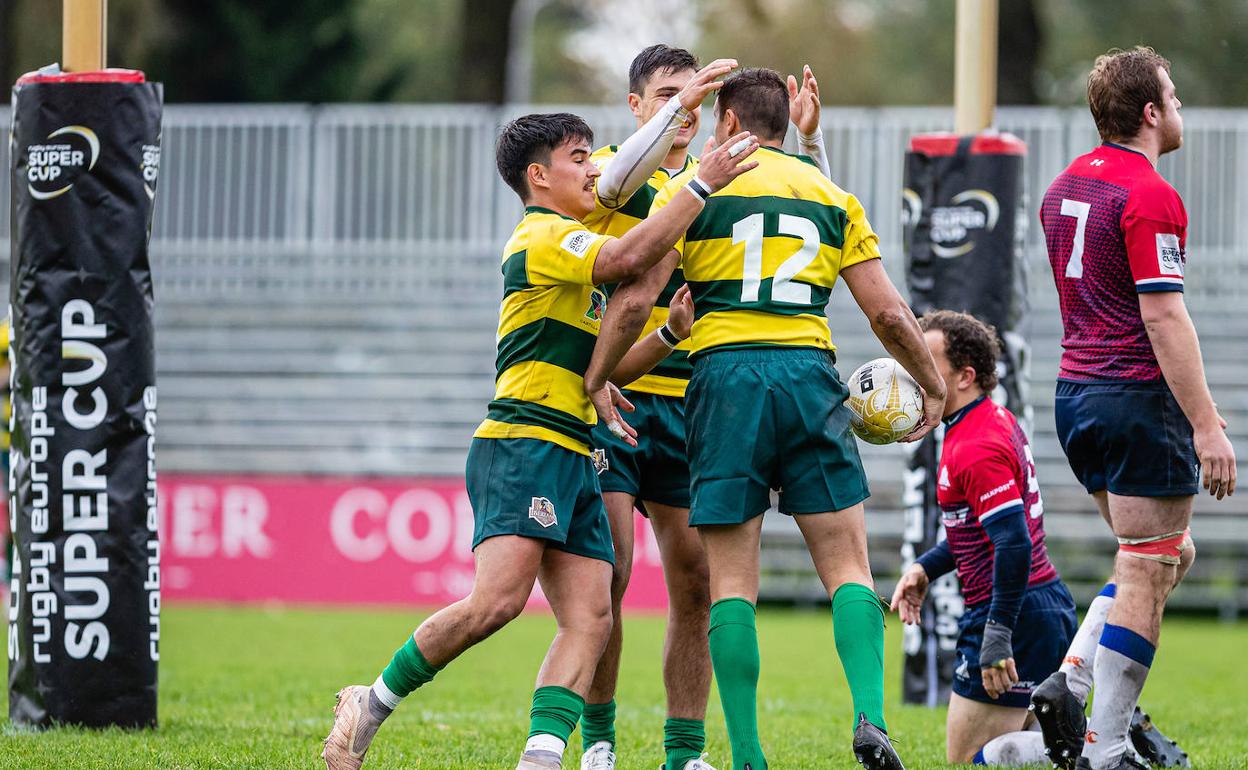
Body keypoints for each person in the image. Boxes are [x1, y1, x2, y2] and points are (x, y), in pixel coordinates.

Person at [320, 112, 758, 770]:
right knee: (496, 604)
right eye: (579, 157)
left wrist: (663, 338)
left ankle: (542, 757)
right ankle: (371, 698)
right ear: (538, 176)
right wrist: (701, 184)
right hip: (524, 440)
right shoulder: (543, 235)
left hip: (575, 449)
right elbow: (626, 257)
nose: (594, 169)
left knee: (592, 616)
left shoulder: (571, 241)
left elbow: (602, 369)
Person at [586, 67, 945, 770]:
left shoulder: (695, 193)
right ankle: (871, 718)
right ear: (787, 123)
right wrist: (931, 385)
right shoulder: (831, 194)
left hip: (723, 381)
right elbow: (889, 313)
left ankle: (747, 756)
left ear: (726, 123)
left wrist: (597, 376)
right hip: (809, 374)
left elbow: (634, 302)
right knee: (847, 566)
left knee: (731, 581)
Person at [578, 44, 832, 770]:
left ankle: (683, 751)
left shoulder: (731, 173)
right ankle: (598, 743)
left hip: (697, 399)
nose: (681, 110)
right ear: (635, 106)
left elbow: (816, 215)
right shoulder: (611, 169)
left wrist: (808, 140)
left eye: (695, 97)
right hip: (617, 398)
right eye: (665, 96)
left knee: (695, 580)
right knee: (612, 571)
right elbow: (617, 188)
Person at [1033, 46, 1236, 770]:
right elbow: (1163, 318)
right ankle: (1106, 747)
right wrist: (1208, 425)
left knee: (1165, 554)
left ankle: (1072, 678)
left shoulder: (1061, 188)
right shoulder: (1149, 194)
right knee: (1150, 564)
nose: (1178, 108)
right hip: (1134, 398)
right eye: (1173, 98)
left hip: (1075, 398)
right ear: (1149, 113)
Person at [890, 310, 1076, 766]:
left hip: (1011, 609)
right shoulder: (985, 422)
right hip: (1034, 604)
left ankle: (1101, 742)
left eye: (926, 360)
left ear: (965, 376)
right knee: (1023, 746)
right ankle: (1096, 739)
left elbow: (1013, 543)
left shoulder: (974, 444)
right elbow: (978, 531)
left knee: (970, 759)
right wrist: (926, 567)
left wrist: (997, 632)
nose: (915, 369)